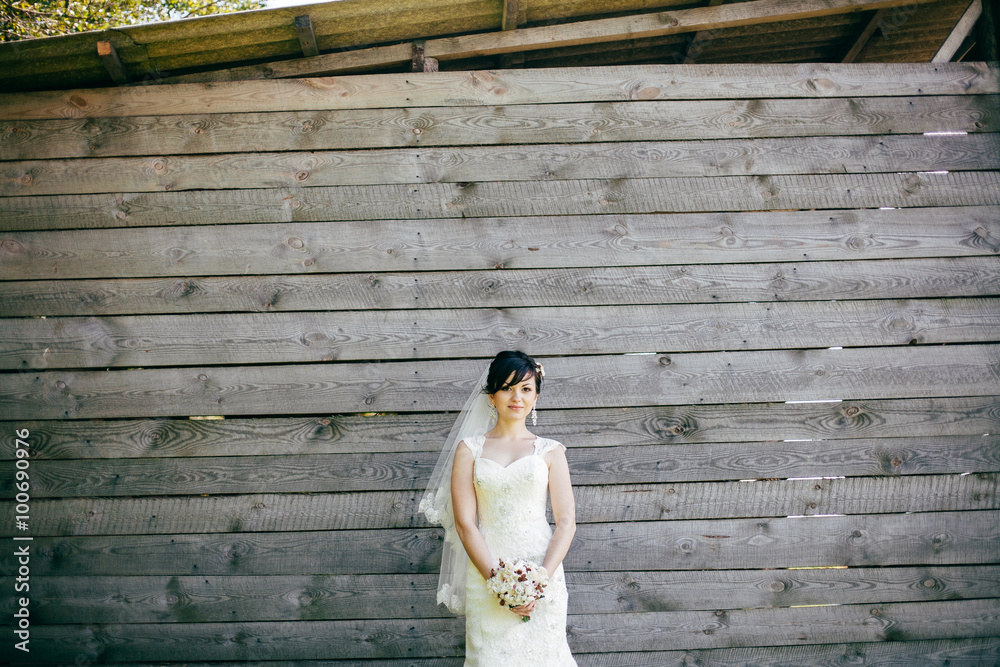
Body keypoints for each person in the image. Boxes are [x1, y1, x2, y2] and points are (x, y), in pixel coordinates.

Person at [419, 350, 578, 665]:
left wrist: (538, 581)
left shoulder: (550, 451)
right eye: (507, 387)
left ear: (535, 396)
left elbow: (566, 522)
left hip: (542, 571)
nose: (516, 396)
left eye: (525, 389)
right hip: (488, 570)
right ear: (491, 396)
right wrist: (499, 582)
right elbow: (466, 523)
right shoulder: (470, 450)